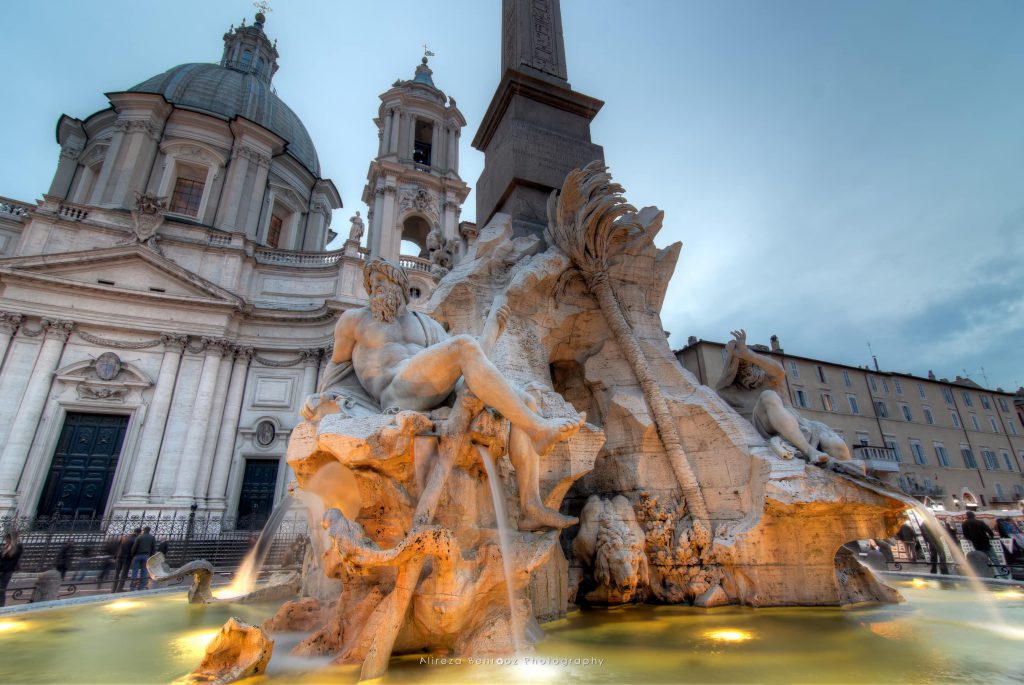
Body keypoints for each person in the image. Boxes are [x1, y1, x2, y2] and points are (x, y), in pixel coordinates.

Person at [305, 258, 584, 530]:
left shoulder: (426, 324)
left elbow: (469, 367)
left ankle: (530, 506)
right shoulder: (354, 320)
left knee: (527, 400)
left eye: (380, 281)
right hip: (395, 393)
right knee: (464, 344)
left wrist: (491, 332)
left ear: (400, 285)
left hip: (436, 391)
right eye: (371, 284)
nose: (374, 289)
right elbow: (339, 365)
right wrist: (323, 397)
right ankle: (538, 429)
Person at [714, 329, 857, 469]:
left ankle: (850, 470)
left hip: (797, 422)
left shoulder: (769, 379)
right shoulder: (728, 392)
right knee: (768, 396)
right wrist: (734, 355)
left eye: (750, 365)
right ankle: (809, 451)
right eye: (741, 367)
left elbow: (779, 370)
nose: (746, 371)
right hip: (763, 428)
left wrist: (747, 354)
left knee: (834, 443)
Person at [961, 511, 1002, 575]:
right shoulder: (980, 522)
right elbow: (988, 530)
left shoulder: (965, 523)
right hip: (985, 541)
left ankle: (987, 573)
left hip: (976, 544)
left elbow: (965, 535)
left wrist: (971, 538)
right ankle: (1002, 573)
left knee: (982, 559)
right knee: (994, 559)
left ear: (967, 516)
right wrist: (991, 535)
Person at [0, 532, 24, 607]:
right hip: (2, 570)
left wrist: (6, 551)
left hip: (6, 572)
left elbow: (12, 562)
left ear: (11, 539)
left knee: (1, 590)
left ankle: (1, 607)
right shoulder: (7, 546)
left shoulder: (18, 547)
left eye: (7, 539)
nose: (6, 541)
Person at [129, 526, 156, 591]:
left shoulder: (139, 537)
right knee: (144, 571)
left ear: (143, 530)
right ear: (149, 530)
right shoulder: (152, 538)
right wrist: (151, 556)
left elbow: (134, 547)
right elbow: (153, 548)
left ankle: (133, 587)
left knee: (135, 572)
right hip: (146, 556)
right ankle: (141, 587)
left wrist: (133, 555)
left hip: (137, 555)